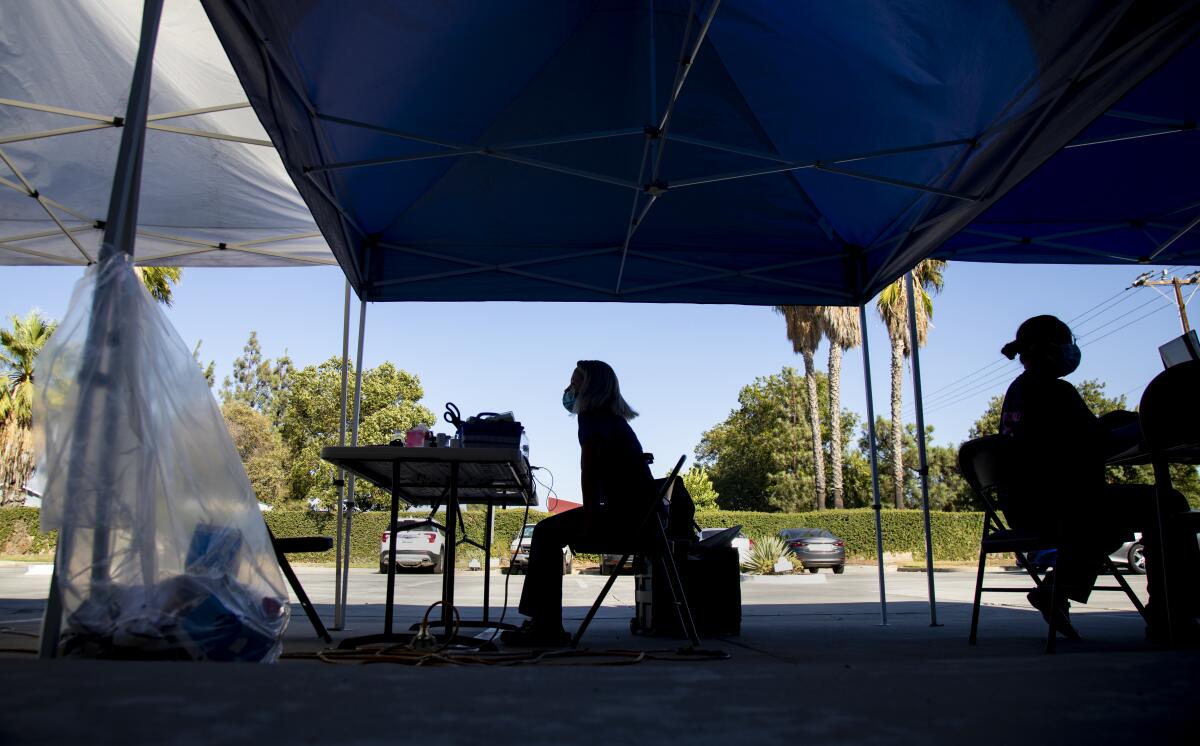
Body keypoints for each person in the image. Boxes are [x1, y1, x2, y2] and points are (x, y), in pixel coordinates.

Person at [998, 314, 1196, 643]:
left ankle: (1057, 588)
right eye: (1065, 344)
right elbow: (1096, 443)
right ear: (1049, 350)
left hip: (1029, 505)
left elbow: (1074, 437)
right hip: (1061, 506)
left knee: (1110, 527)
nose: (1071, 350)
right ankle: (1173, 616)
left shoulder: (1021, 390)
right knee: (1168, 501)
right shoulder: (1053, 390)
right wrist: (1145, 424)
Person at [501, 360, 655, 646]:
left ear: (592, 387)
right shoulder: (610, 419)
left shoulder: (594, 418)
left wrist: (589, 519)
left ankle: (546, 628)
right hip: (638, 515)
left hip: (628, 518)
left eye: (575, 383)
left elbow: (590, 473)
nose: (569, 389)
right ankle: (543, 623)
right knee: (548, 532)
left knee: (546, 534)